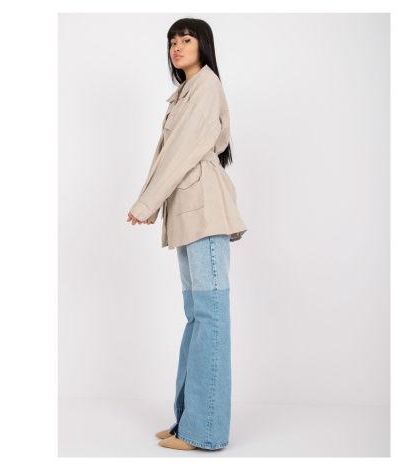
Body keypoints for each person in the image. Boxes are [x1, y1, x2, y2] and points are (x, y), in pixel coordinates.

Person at [126, 18, 248, 451]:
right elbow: (168, 154)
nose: (177, 46)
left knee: (210, 316)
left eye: (186, 39)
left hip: (206, 213)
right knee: (198, 316)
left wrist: (146, 203)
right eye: (172, 41)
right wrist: (150, 200)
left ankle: (205, 430)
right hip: (191, 213)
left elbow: (181, 152)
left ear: (203, 45)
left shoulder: (206, 85)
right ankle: (187, 422)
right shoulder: (185, 92)